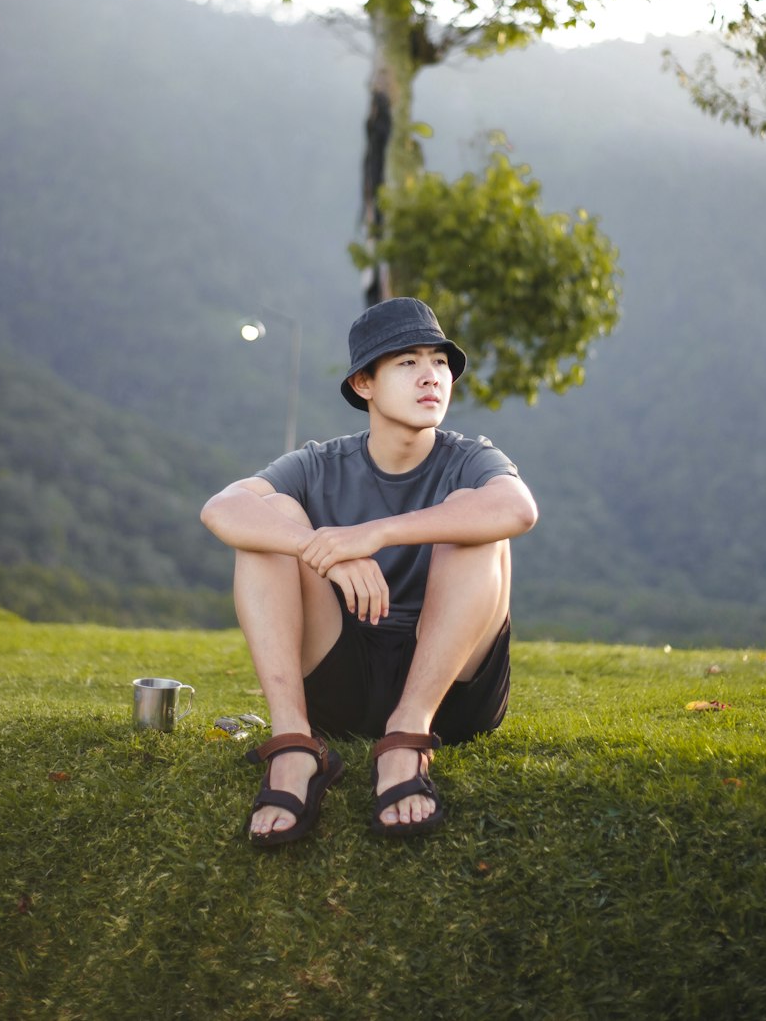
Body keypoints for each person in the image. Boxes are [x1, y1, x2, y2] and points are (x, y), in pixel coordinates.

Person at [199, 297, 538, 847]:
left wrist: (374, 533)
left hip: (450, 689)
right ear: (364, 384)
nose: (431, 377)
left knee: (474, 518)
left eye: (439, 362)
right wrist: (322, 547)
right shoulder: (319, 462)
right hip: (344, 675)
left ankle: (407, 740)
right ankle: (292, 747)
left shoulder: (470, 459)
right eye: (407, 363)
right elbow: (221, 509)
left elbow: (518, 510)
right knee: (272, 521)